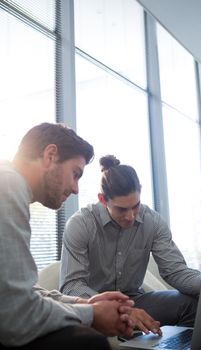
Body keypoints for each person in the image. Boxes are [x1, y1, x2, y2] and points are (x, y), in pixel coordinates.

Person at [0, 125, 147, 349]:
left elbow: (22, 292)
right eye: (75, 174)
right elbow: (17, 315)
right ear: (50, 155)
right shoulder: (8, 185)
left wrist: (84, 303)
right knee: (88, 343)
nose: (76, 189)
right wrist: (91, 315)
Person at [60, 154, 201, 332]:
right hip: (94, 304)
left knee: (191, 305)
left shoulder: (152, 221)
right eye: (121, 209)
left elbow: (175, 271)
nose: (130, 216)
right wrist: (117, 309)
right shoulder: (81, 224)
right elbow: (72, 286)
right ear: (102, 199)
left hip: (136, 300)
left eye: (135, 206)